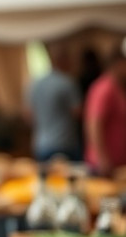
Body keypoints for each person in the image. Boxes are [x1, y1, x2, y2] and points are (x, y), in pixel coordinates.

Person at [27, 44, 82, 162]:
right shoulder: (67, 83)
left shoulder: (35, 83)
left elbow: (28, 115)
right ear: (64, 60)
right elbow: (77, 112)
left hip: (41, 144)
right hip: (65, 143)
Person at [84, 40, 126, 177]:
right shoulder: (104, 88)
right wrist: (102, 157)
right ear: (119, 63)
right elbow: (94, 123)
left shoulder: (117, 87)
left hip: (117, 164)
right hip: (103, 165)